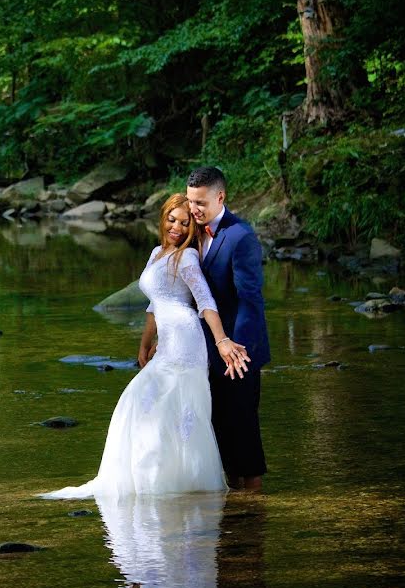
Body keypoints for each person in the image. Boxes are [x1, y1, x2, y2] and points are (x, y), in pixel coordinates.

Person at [38, 194, 250, 500]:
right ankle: (152, 479)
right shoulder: (156, 254)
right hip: (165, 339)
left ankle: (181, 482)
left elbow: (204, 301)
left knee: (172, 407)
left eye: (185, 222)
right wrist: (145, 343)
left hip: (186, 338)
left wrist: (221, 340)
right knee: (139, 404)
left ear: (192, 227)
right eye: (172, 219)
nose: (177, 227)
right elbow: (153, 304)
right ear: (163, 218)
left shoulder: (187, 258)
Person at [185, 166, 270, 490]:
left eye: (201, 203)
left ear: (220, 197)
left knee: (244, 435)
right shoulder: (192, 232)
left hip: (238, 353)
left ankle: (254, 517)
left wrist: (239, 352)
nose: (194, 209)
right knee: (221, 434)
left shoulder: (241, 236)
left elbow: (251, 299)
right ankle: (237, 514)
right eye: (191, 201)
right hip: (206, 353)